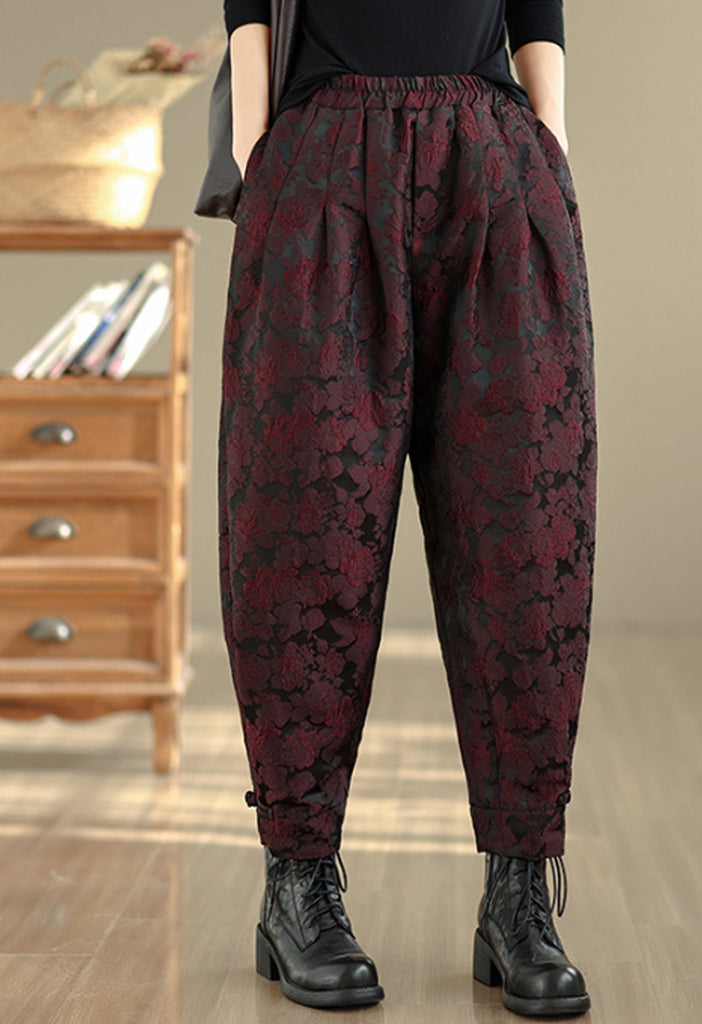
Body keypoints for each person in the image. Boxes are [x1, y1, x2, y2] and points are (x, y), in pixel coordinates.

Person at [217, 1, 597, 1016]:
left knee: (526, 534)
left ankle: (520, 894)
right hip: (322, 159)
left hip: (495, 160)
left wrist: (551, 149)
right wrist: (258, 148)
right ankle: (297, 881)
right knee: (302, 538)